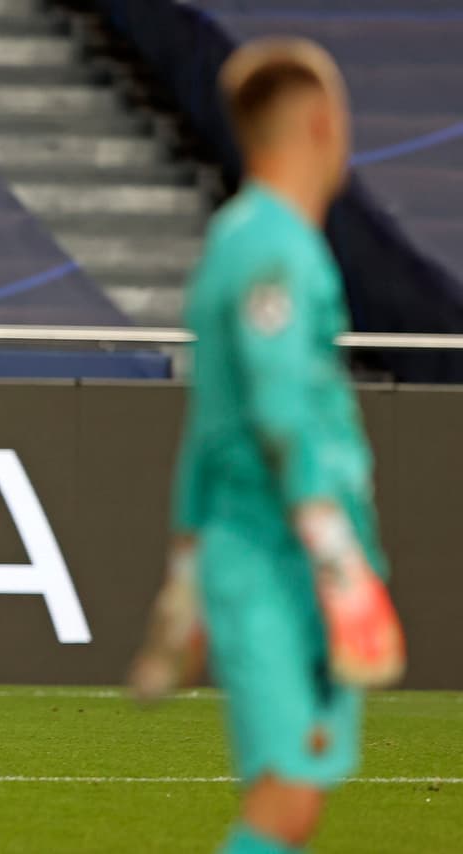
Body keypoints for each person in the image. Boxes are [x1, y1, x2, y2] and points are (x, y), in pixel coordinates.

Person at [129, 39, 404, 853]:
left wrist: (183, 575)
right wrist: (335, 557)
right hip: (280, 556)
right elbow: (282, 408)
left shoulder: (243, 242)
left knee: (298, 795)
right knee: (286, 796)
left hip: (264, 550)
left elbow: (210, 426)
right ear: (322, 123)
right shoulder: (274, 250)